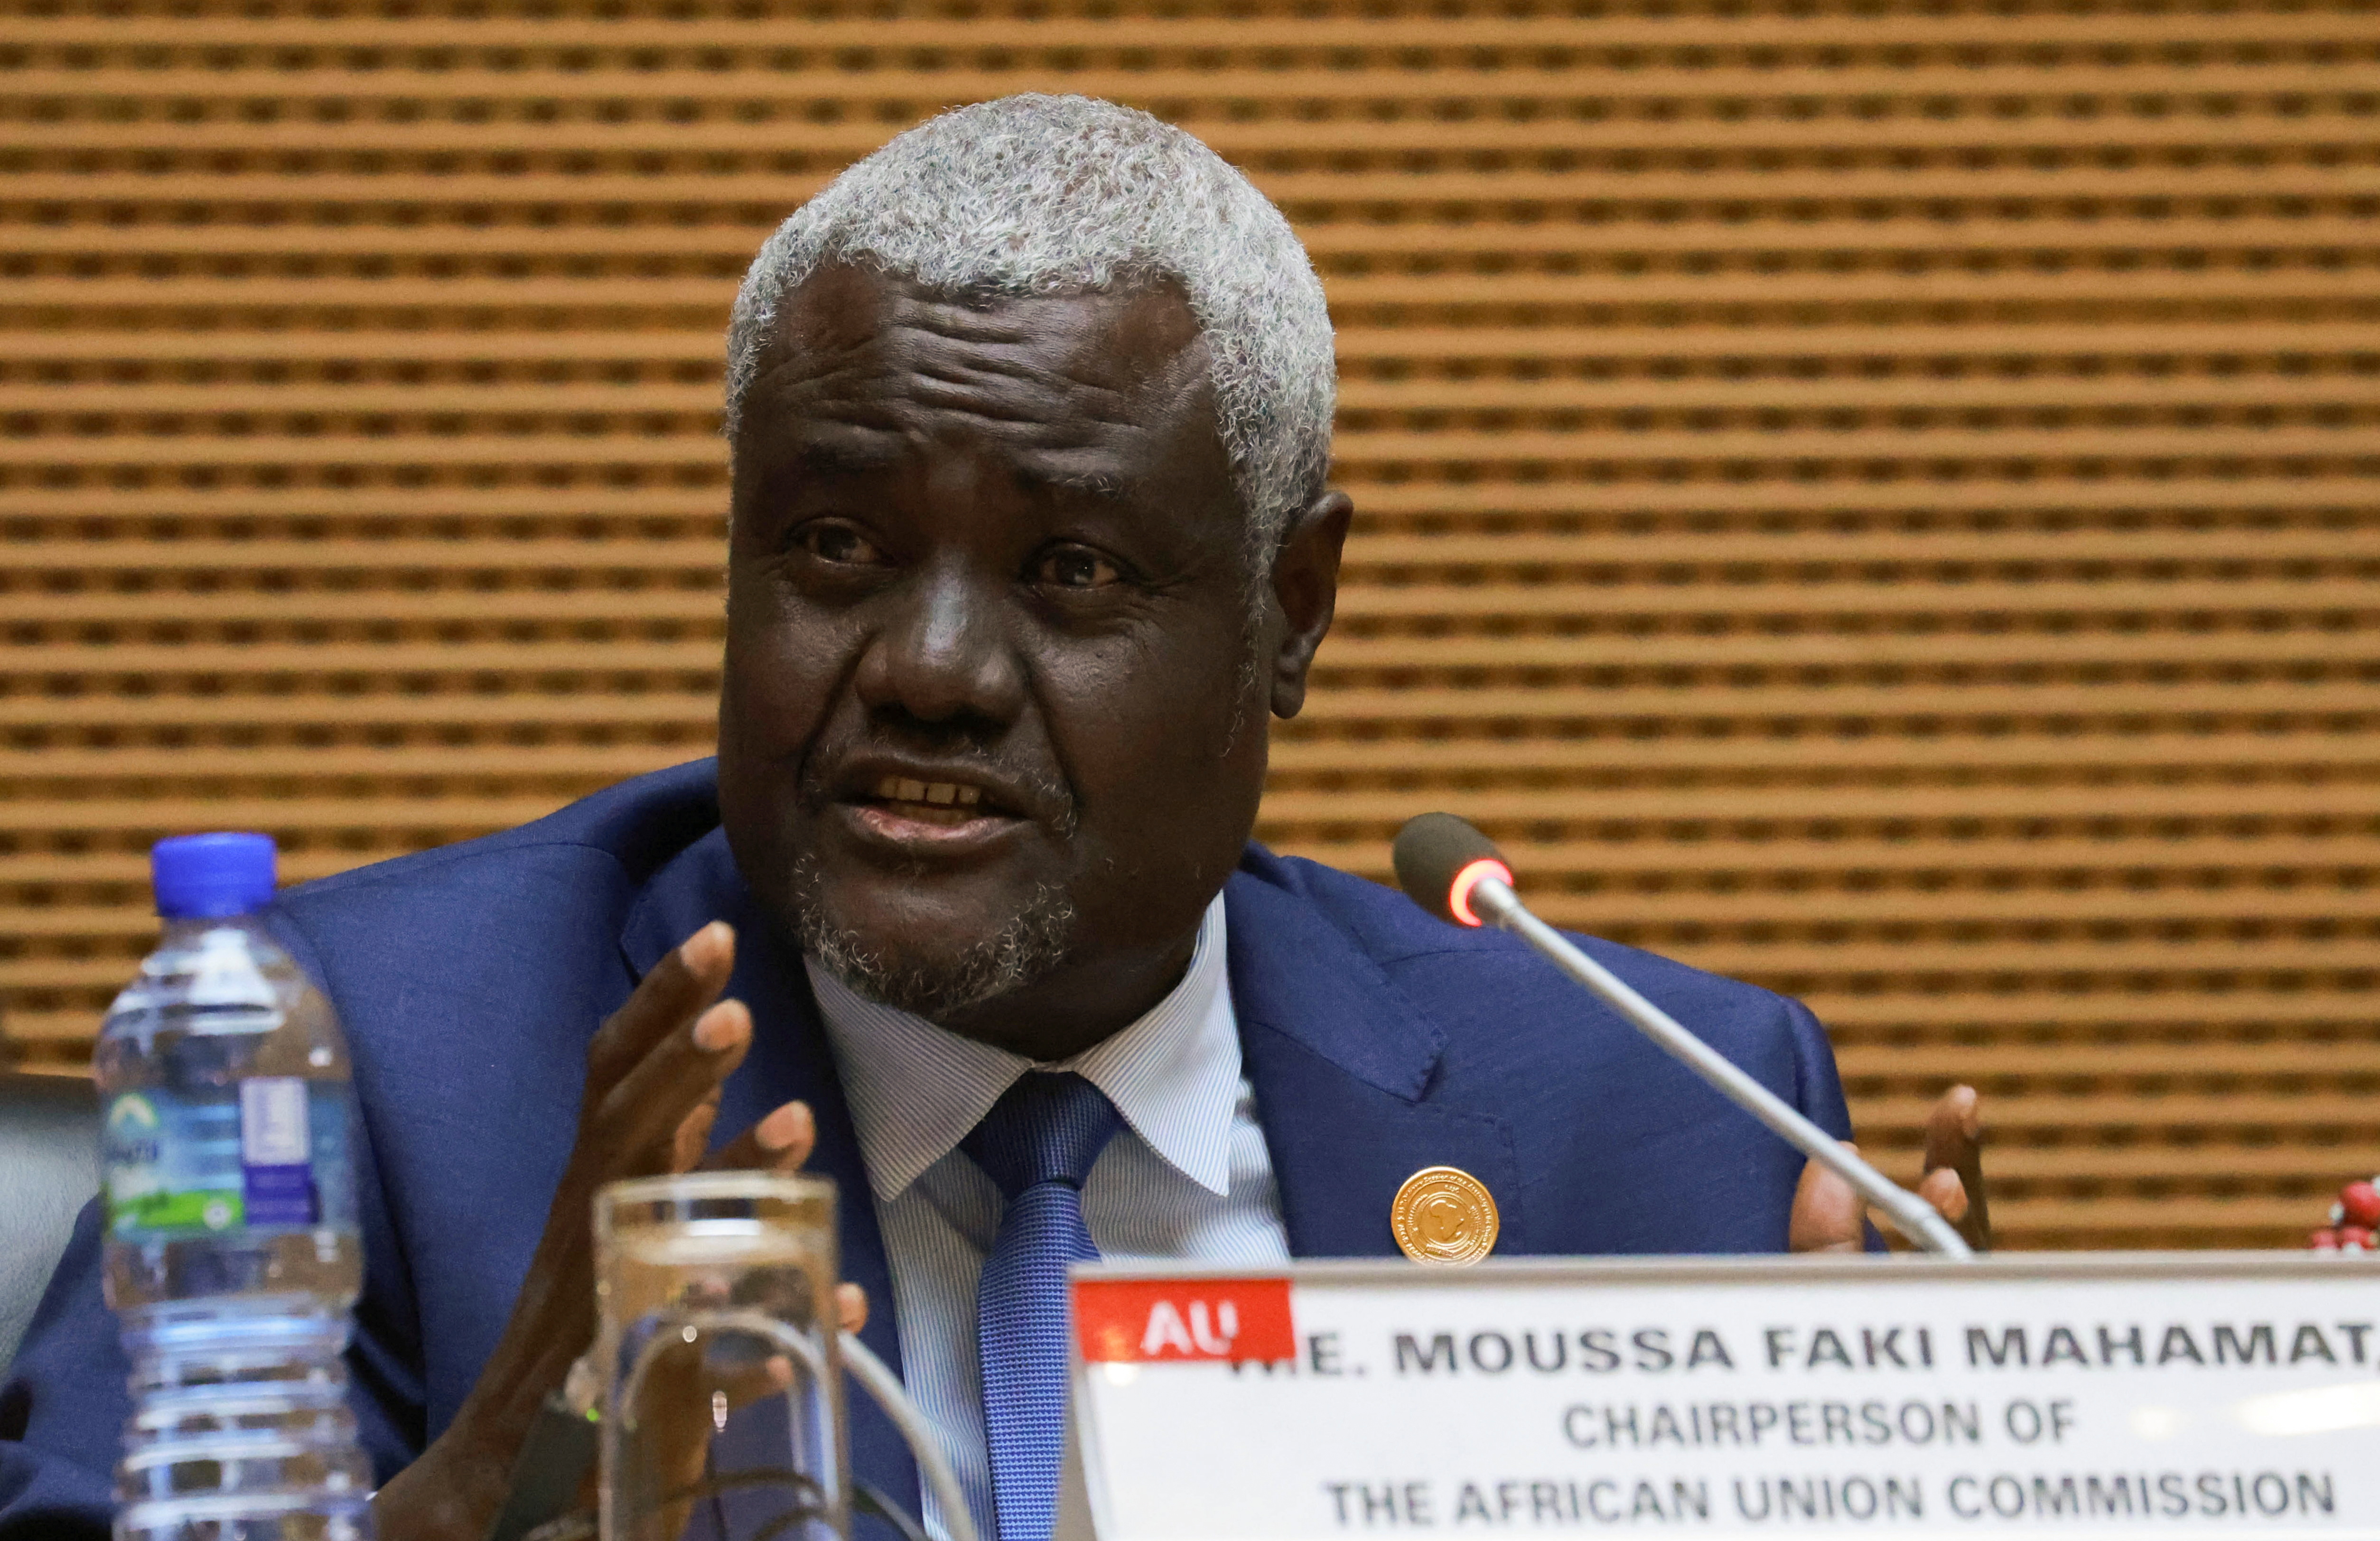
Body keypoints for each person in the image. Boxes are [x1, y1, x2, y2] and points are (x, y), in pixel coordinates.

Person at [0, 95, 1985, 1541]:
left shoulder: (1676, 1130)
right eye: (835, 546)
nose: (932, 669)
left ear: (1292, 612)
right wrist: (478, 1497)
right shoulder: (367, 1067)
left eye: (1073, 571)